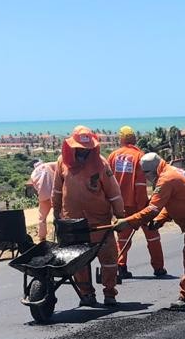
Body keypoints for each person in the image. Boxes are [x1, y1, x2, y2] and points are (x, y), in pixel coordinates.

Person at [113, 159, 185, 309]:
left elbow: (152, 209)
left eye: (146, 174)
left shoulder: (166, 180)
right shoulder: (171, 172)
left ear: (153, 170)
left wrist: (128, 222)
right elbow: (173, 201)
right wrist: (160, 220)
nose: (146, 178)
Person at [52, 126, 125, 307]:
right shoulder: (62, 162)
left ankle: (110, 293)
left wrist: (120, 215)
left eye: (87, 149)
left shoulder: (101, 164)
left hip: (99, 222)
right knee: (78, 260)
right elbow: (57, 191)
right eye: (80, 148)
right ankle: (87, 295)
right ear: (72, 147)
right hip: (73, 223)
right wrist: (55, 213)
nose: (84, 152)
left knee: (108, 259)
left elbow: (113, 192)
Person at [107, 126, 165, 279]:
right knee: (152, 236)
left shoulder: (113, 156)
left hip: (120, 205)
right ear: (134, 139)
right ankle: (159, 268)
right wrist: (143, 210)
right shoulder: (140, 156)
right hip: (139, 203)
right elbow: (140, 185)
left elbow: (107, 181)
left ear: (121, 139)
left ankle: (121, 267)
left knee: (123, 238)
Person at [29, 159, 57, 241]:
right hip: (55, 194)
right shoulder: (49, 164)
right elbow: (61, 165)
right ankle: (61, 234)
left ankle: (42, 237)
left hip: (43, 196)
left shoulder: (33, 174)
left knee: (42, 218)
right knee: (59, 215)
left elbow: (36, 187)